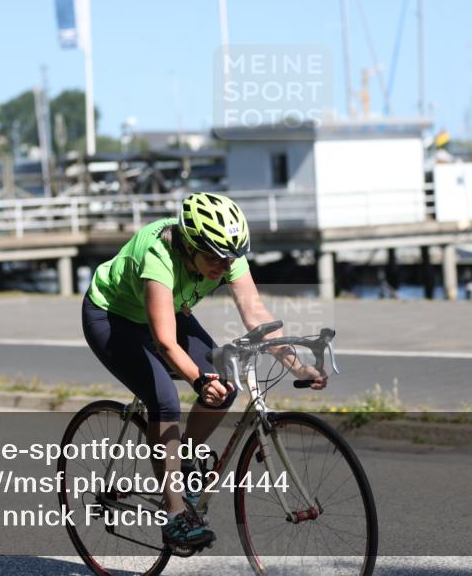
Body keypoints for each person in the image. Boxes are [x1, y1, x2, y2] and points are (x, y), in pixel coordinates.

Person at [82, 192, 328, 549]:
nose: (223, 267)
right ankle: (175, 514)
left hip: (169, 310)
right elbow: (166, 343)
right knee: (165, 400)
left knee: (225, 381)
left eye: (231, 259)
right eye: (213, 258)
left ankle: (180, 463)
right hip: (112, 318)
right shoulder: (158, 255)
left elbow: (256, 313)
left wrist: (299, 366)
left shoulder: (227, 256)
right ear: (188, 246)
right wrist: (198, 380)